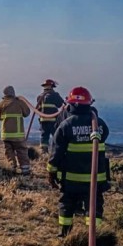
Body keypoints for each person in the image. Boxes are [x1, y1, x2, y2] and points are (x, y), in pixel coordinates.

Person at [47, 86, 110, 237]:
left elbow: (56, 152)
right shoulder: (100, 124)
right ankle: (93, 236)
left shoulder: (66, 125)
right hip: (96, 178)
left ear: (70, 105)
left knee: (67, 205)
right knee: (94, 206)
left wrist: (51, 172)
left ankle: (65, 234)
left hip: (71, 179)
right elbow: (105, 136)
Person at [0, 86, 31, 175]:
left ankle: (12, 168)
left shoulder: (1, 104)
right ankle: (25, 170)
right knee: (21, 151)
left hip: (6, 135)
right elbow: (27, 113)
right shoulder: (19, 102)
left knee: (9, 152)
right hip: (18, 135)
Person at [36, 79, 64, 153]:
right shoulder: (55, 95)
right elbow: (60, 104)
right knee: (56, 136)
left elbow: (38, 109)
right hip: (53, 121)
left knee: (44, 136)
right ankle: (55, 151)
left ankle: (43, 152)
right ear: (52, 86)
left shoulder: (40, 96)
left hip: (43, 121)